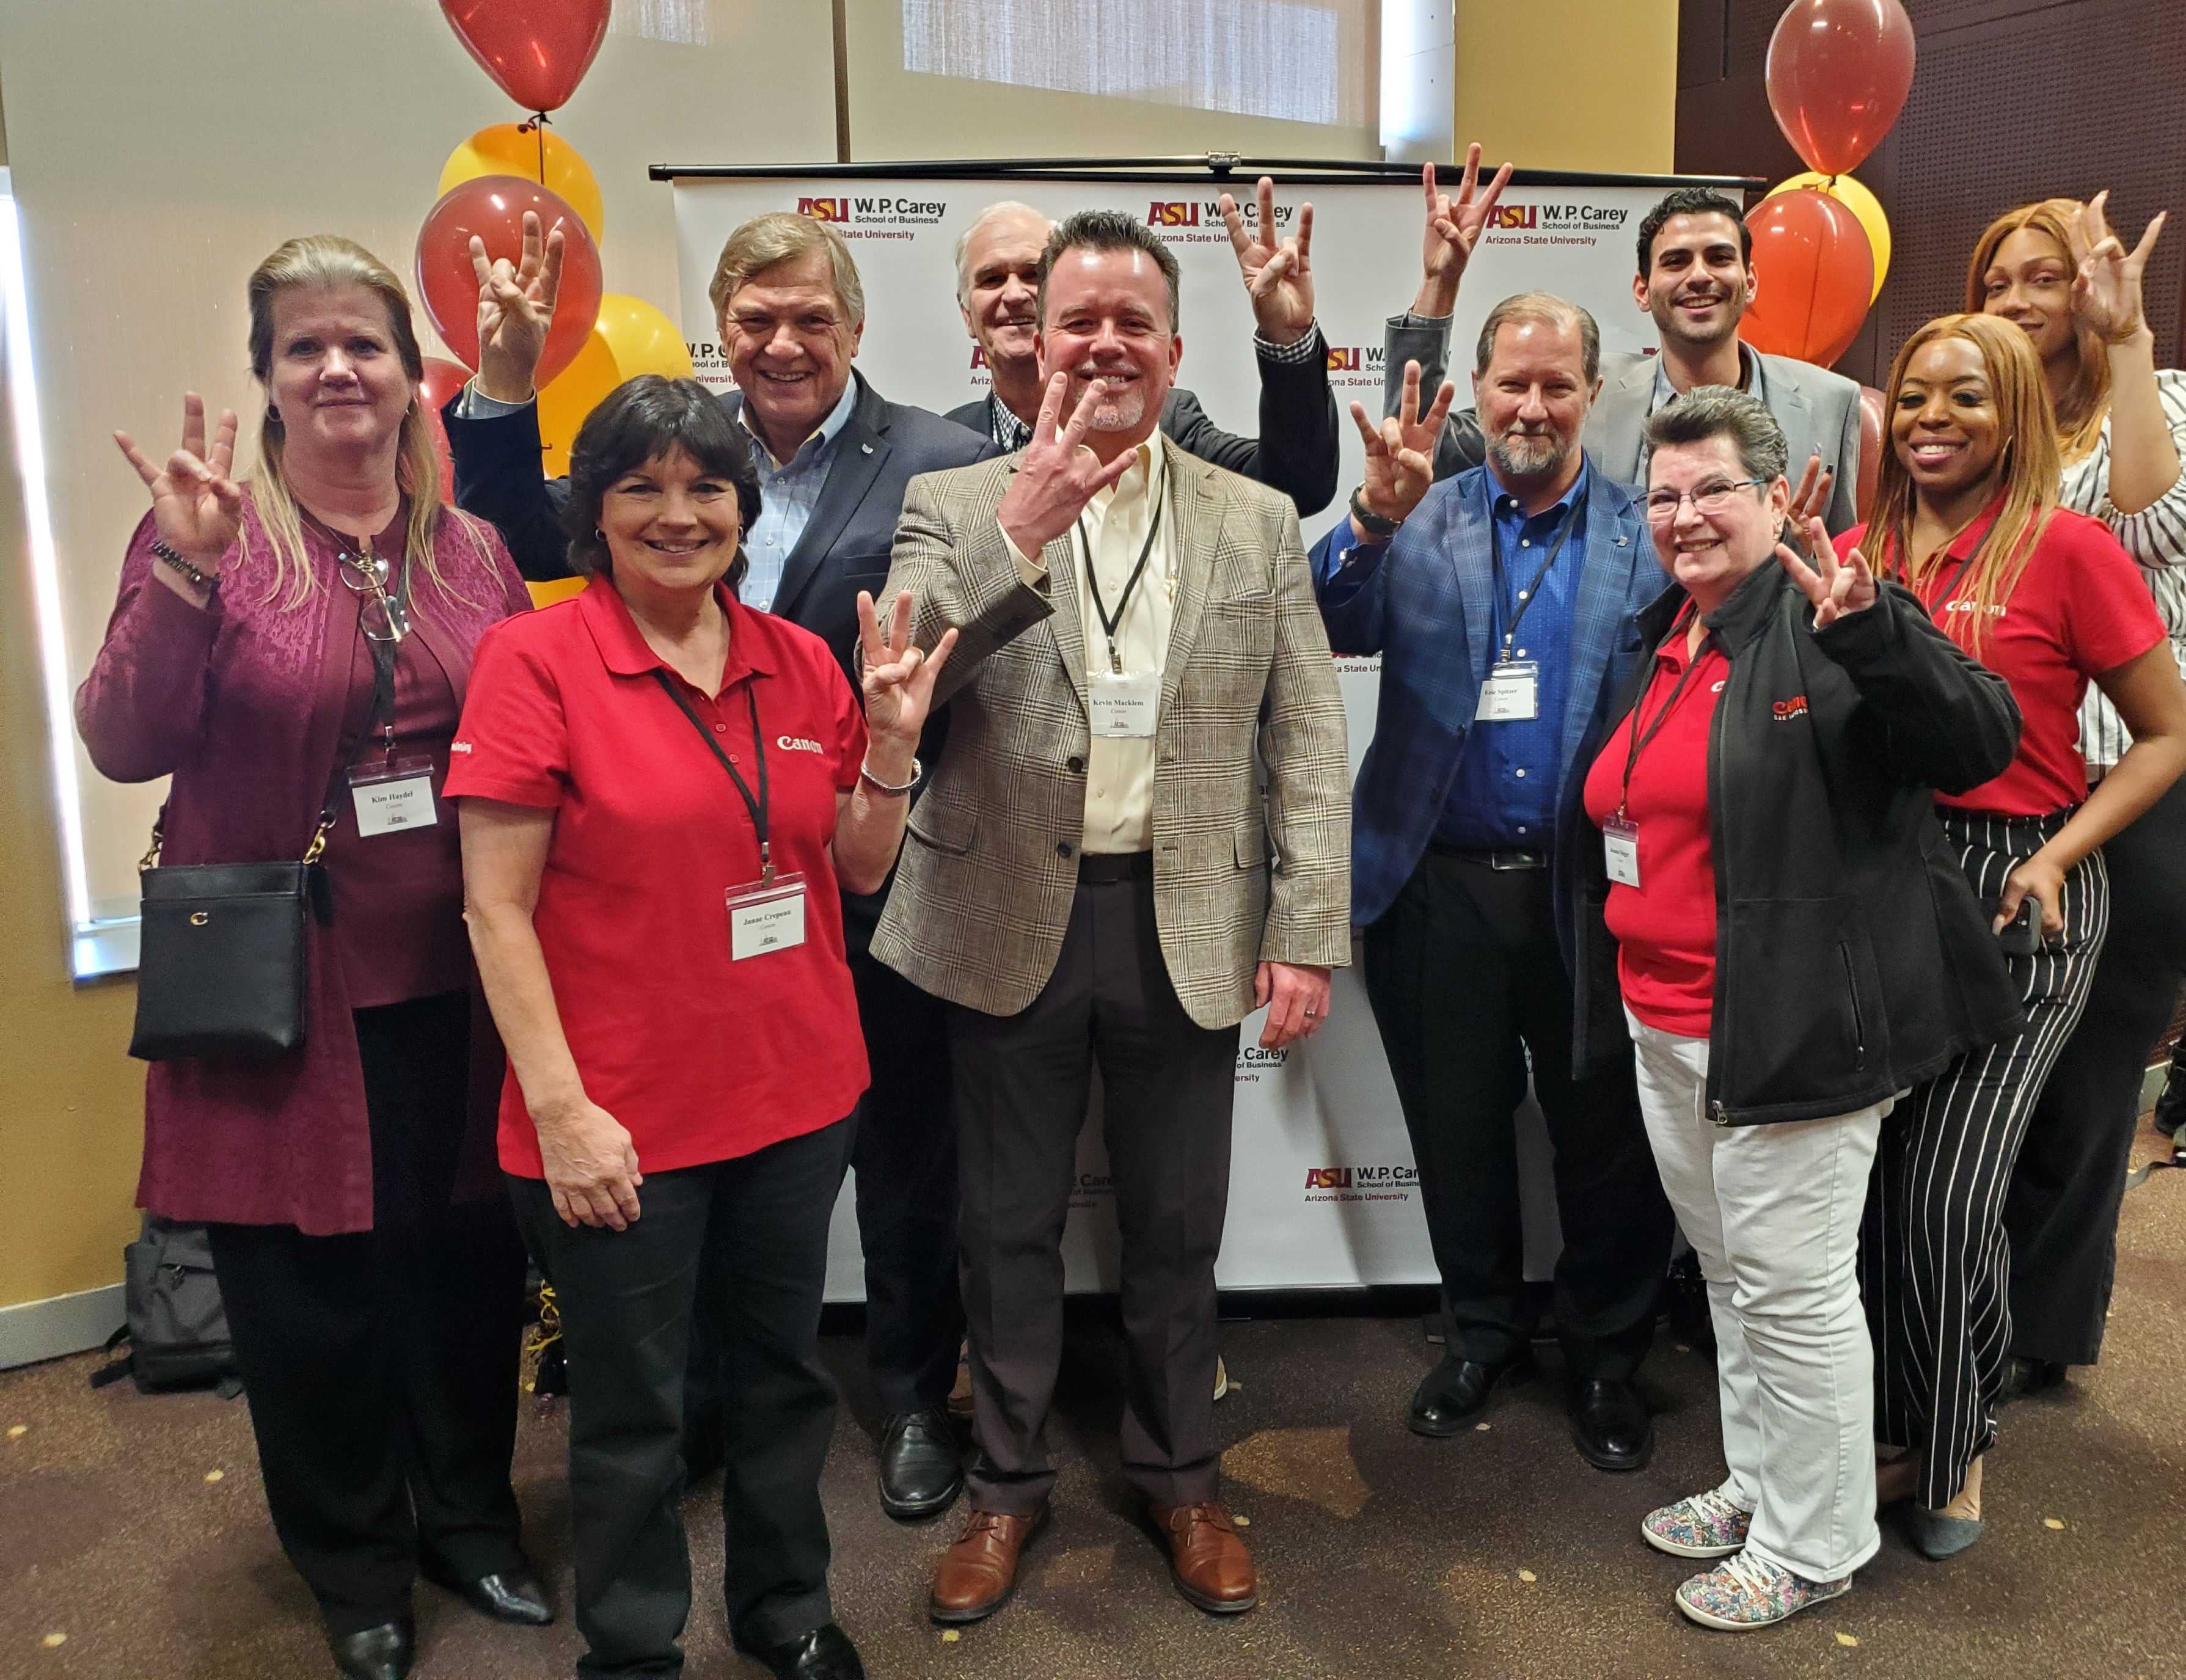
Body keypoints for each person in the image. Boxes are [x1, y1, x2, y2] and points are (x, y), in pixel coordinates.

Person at [445, 211, 988, 1521]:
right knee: (687, 1186)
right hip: (681, 887)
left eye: (812, 317)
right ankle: (683, 1413)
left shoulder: (946, 458)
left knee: (906, 1162)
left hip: (873, 858)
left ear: (855, 328)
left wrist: (896, 750)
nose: (784, 341)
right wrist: (504, 379)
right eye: (757, 319)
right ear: (722, 331)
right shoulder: (681, 452)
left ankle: (916, 1399)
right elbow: (521, 521)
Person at [76, 237, 543, 1680]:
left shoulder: (472, 553)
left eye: (367, 344)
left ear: (415, 375)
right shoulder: (209, 543)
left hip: (463, 979)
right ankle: (353, 1566)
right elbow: (124, 742)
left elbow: (526, 744)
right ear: (269, 377)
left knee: (464, 1269)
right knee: (308, 1297)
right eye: (304, 347)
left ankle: (467, 1516)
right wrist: (188, 576)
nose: (338, 369)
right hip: (286, 991)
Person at [878, 210, 1351, 1626]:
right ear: (1026, 335)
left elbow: (1307, 741)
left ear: (1173, 349)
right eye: (1074, 319)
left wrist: (1307, 926)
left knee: (1175, 1225)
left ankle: (1182, 1477)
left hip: (1185, 914)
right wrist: (1015, 537)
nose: (1100, 343)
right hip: (1005, 910)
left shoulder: (1254, 518)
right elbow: (901, 689)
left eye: (1130, 322)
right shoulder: (954, 503)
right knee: (1006, 1224)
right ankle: (1006, 1488)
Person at [1574, 387, 2023, 1629]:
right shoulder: (1677, 632)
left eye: (1715, 488)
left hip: (1791, 1026)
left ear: (1779, 497)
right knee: (1733, 1276)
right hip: (1668, 1022)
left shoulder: (1834, 618)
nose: (1686, 515)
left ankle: (1816, 1544)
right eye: (1664, 496)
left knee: (1797, 1288)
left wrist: (1874, 627)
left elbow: (1981, 738)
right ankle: (1765, 1483)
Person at [1838, 313, 2186, 1558]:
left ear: (2018, 418)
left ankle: (1956, 1449)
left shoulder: (2070, 549)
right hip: (1886, 886)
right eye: (1918, 397)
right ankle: (1902, 1423)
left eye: (1968, 399)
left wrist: (2055, 854)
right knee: (1880, 1190)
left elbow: (2169, 737)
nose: (1936, 419)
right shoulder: (1859, 547)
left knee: (1947, 1193)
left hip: (2019, 888)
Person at [1309, 293, 1676, 1469]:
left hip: (1591, 894)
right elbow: (1320, 617)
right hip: (1434, 886)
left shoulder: (1645, 534)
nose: (1532, 405)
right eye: (1512, 384)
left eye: (1557, 384)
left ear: (1593, 392)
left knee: (1603, 1141)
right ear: (1474, 391)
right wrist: (1369, 516)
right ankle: (1481, 1332)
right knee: (1458, 1132)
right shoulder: (1417, 511)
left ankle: (1607, 1357)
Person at [1968, 195, 2186, 1389]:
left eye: (2045, 277)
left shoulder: (2162, 390)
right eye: (2001, 280)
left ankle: (2039, 1338)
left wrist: (2132, 339)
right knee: (1998, 1059)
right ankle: (1965, 1298)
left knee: (2092, 1067)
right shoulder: (1973, 415)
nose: (2021, 298)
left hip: (2155, 766)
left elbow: (2164, 533)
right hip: (2023, 777)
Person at [1392, 152, 1859, 528]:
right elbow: (1427, 441)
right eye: (1676, 262)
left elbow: (1839, 565)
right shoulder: (1583, 390)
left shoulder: (1831, 405)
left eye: (1719, 258)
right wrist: (1441, 282)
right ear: (1642, 290)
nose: (1699, 276)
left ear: (1750, 281)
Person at [945, 181, 1342, 513]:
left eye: (1032, 274)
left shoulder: (1169, 422)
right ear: (967, 315)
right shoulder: (943, 446)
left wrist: (1286, 337)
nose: (1014, 295)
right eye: (992, 280)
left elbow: (1294, 488)